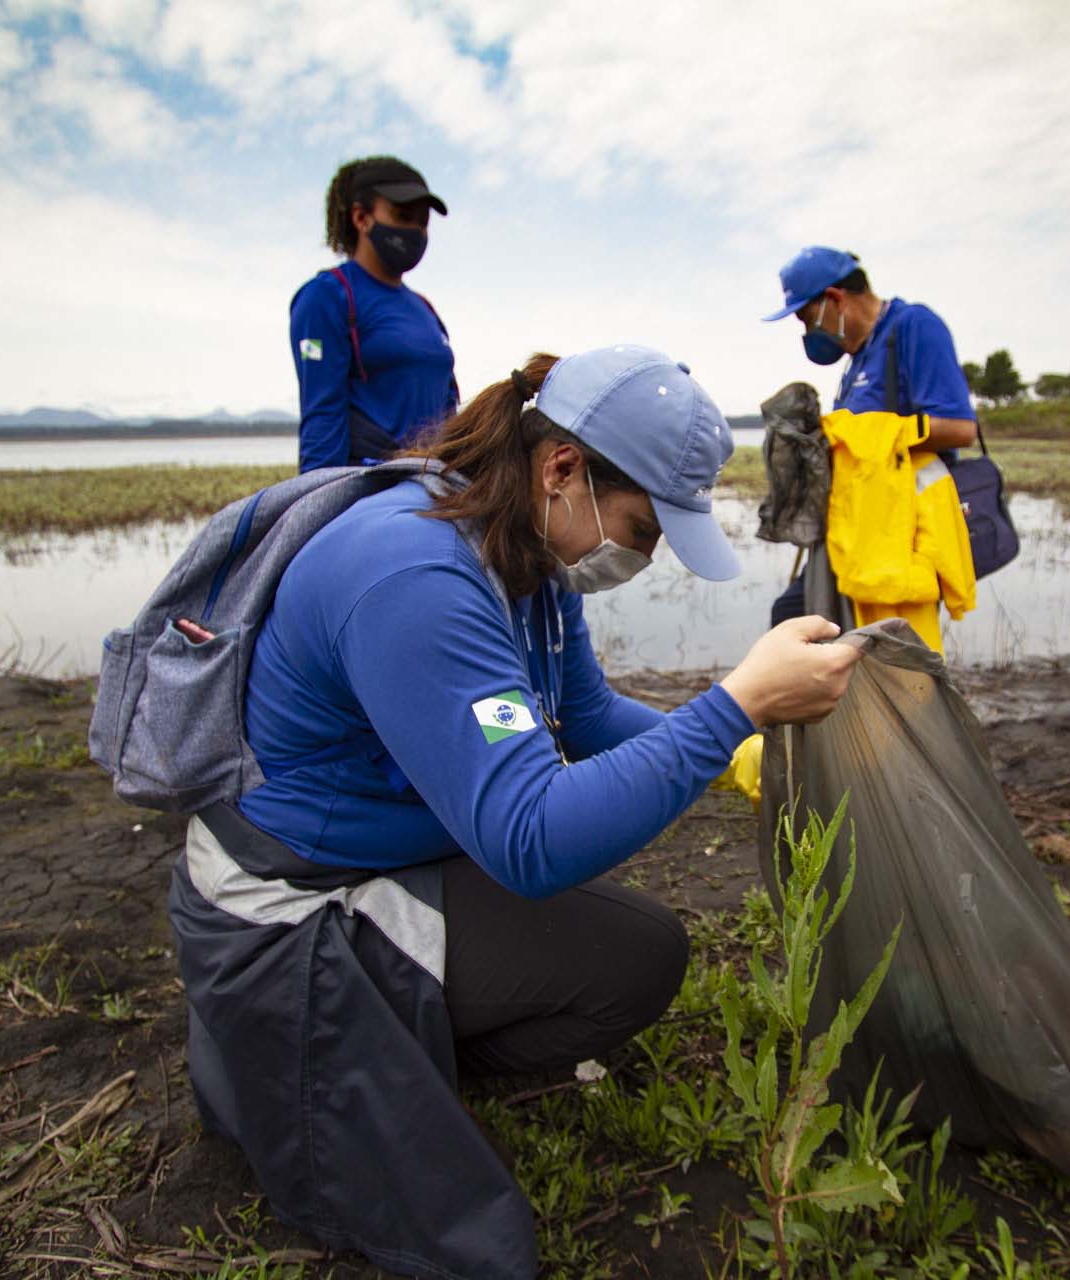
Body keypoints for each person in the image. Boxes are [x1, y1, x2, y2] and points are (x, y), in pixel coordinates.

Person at [168, 345, 862, 1279]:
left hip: (402, 853)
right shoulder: (412, 576)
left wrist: (733, 755)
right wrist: (733, 708)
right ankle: (340, 1055)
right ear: (562, 469)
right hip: (291, 902)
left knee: (641, 954)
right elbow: (532, 839)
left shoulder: (523, 550)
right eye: (644, 527)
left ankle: (411, 1047)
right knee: (480, 1239)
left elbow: (581, 715)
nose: (644, 558)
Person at [762, 247, 978, 649]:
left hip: (894, 534)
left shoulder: (913, 327)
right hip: (852, 530)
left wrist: (866, 432)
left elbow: (961, 429)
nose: (808, 333)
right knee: (795, 619)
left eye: (807, 319)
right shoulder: (858, 358)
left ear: (835, 300)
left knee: (884, 656)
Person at [288, 155, 460, 472]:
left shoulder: (424, 310)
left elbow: (449, 409)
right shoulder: (326, 297)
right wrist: (316, 507)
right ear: (362, 218)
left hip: (435, 487)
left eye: (423, 222)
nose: (415, 230)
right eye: (402, 215)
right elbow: (322, 416)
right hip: (374, 488)